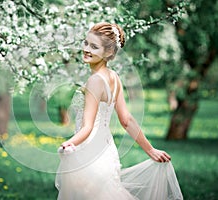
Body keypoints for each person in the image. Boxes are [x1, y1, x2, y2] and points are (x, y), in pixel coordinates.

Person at [55, 22, 183, 200]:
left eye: (94, 46)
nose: (86, 49)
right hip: (107, 153)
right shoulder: (113, 77)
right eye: (86, 43)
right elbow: (127, 120)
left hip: (89, 153)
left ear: (108, 52)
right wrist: (150, 150)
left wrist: (69, 143)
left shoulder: (95, 81)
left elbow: (88, 126)